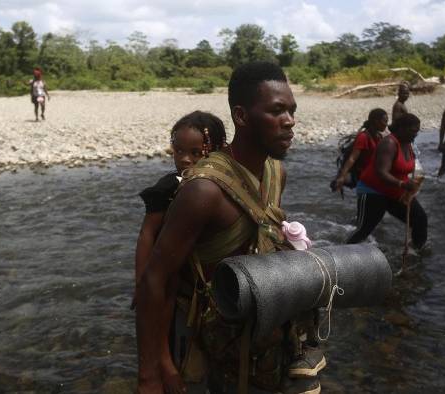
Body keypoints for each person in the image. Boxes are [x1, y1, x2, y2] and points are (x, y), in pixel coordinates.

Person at [136, 62, 323, 394]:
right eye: (277, 110)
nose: (290, 121)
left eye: (292, 110)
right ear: (241, 116)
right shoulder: (204, 191)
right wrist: (154, 371)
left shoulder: (276, 172)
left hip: (258, 337)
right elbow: (157, 279)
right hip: (209, 341)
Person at [134, 111, 227, 392]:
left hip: (206, 281)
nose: (185, 159)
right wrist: (141, 283)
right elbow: (147, 233)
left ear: (218, 150)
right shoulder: (169, 186)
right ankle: (165, 364)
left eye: (196, 152)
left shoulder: (220, 184)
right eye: (179, 151)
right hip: (173, 272)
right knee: (170, 316)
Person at [346, 113, 427, 250]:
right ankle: (342, 255)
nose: (415, 135)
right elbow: (381, 172)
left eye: (417, 132)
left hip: (396, 193)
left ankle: (415, 252)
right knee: (363, 230)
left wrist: (413, 183)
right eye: (412, 132)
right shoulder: (389, 143)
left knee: (420, 219)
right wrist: (402, 184)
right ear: (401, 128)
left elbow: (408, 168)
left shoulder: (408, 143)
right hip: (374, 192)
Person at [332, 108, 388, 194]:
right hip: (365, 179)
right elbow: (352, 158)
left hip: (375, 177)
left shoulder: (379, 136)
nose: (386, 124)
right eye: (385, 121)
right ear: (376, 121)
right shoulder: (363, 137)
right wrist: (342, 176)